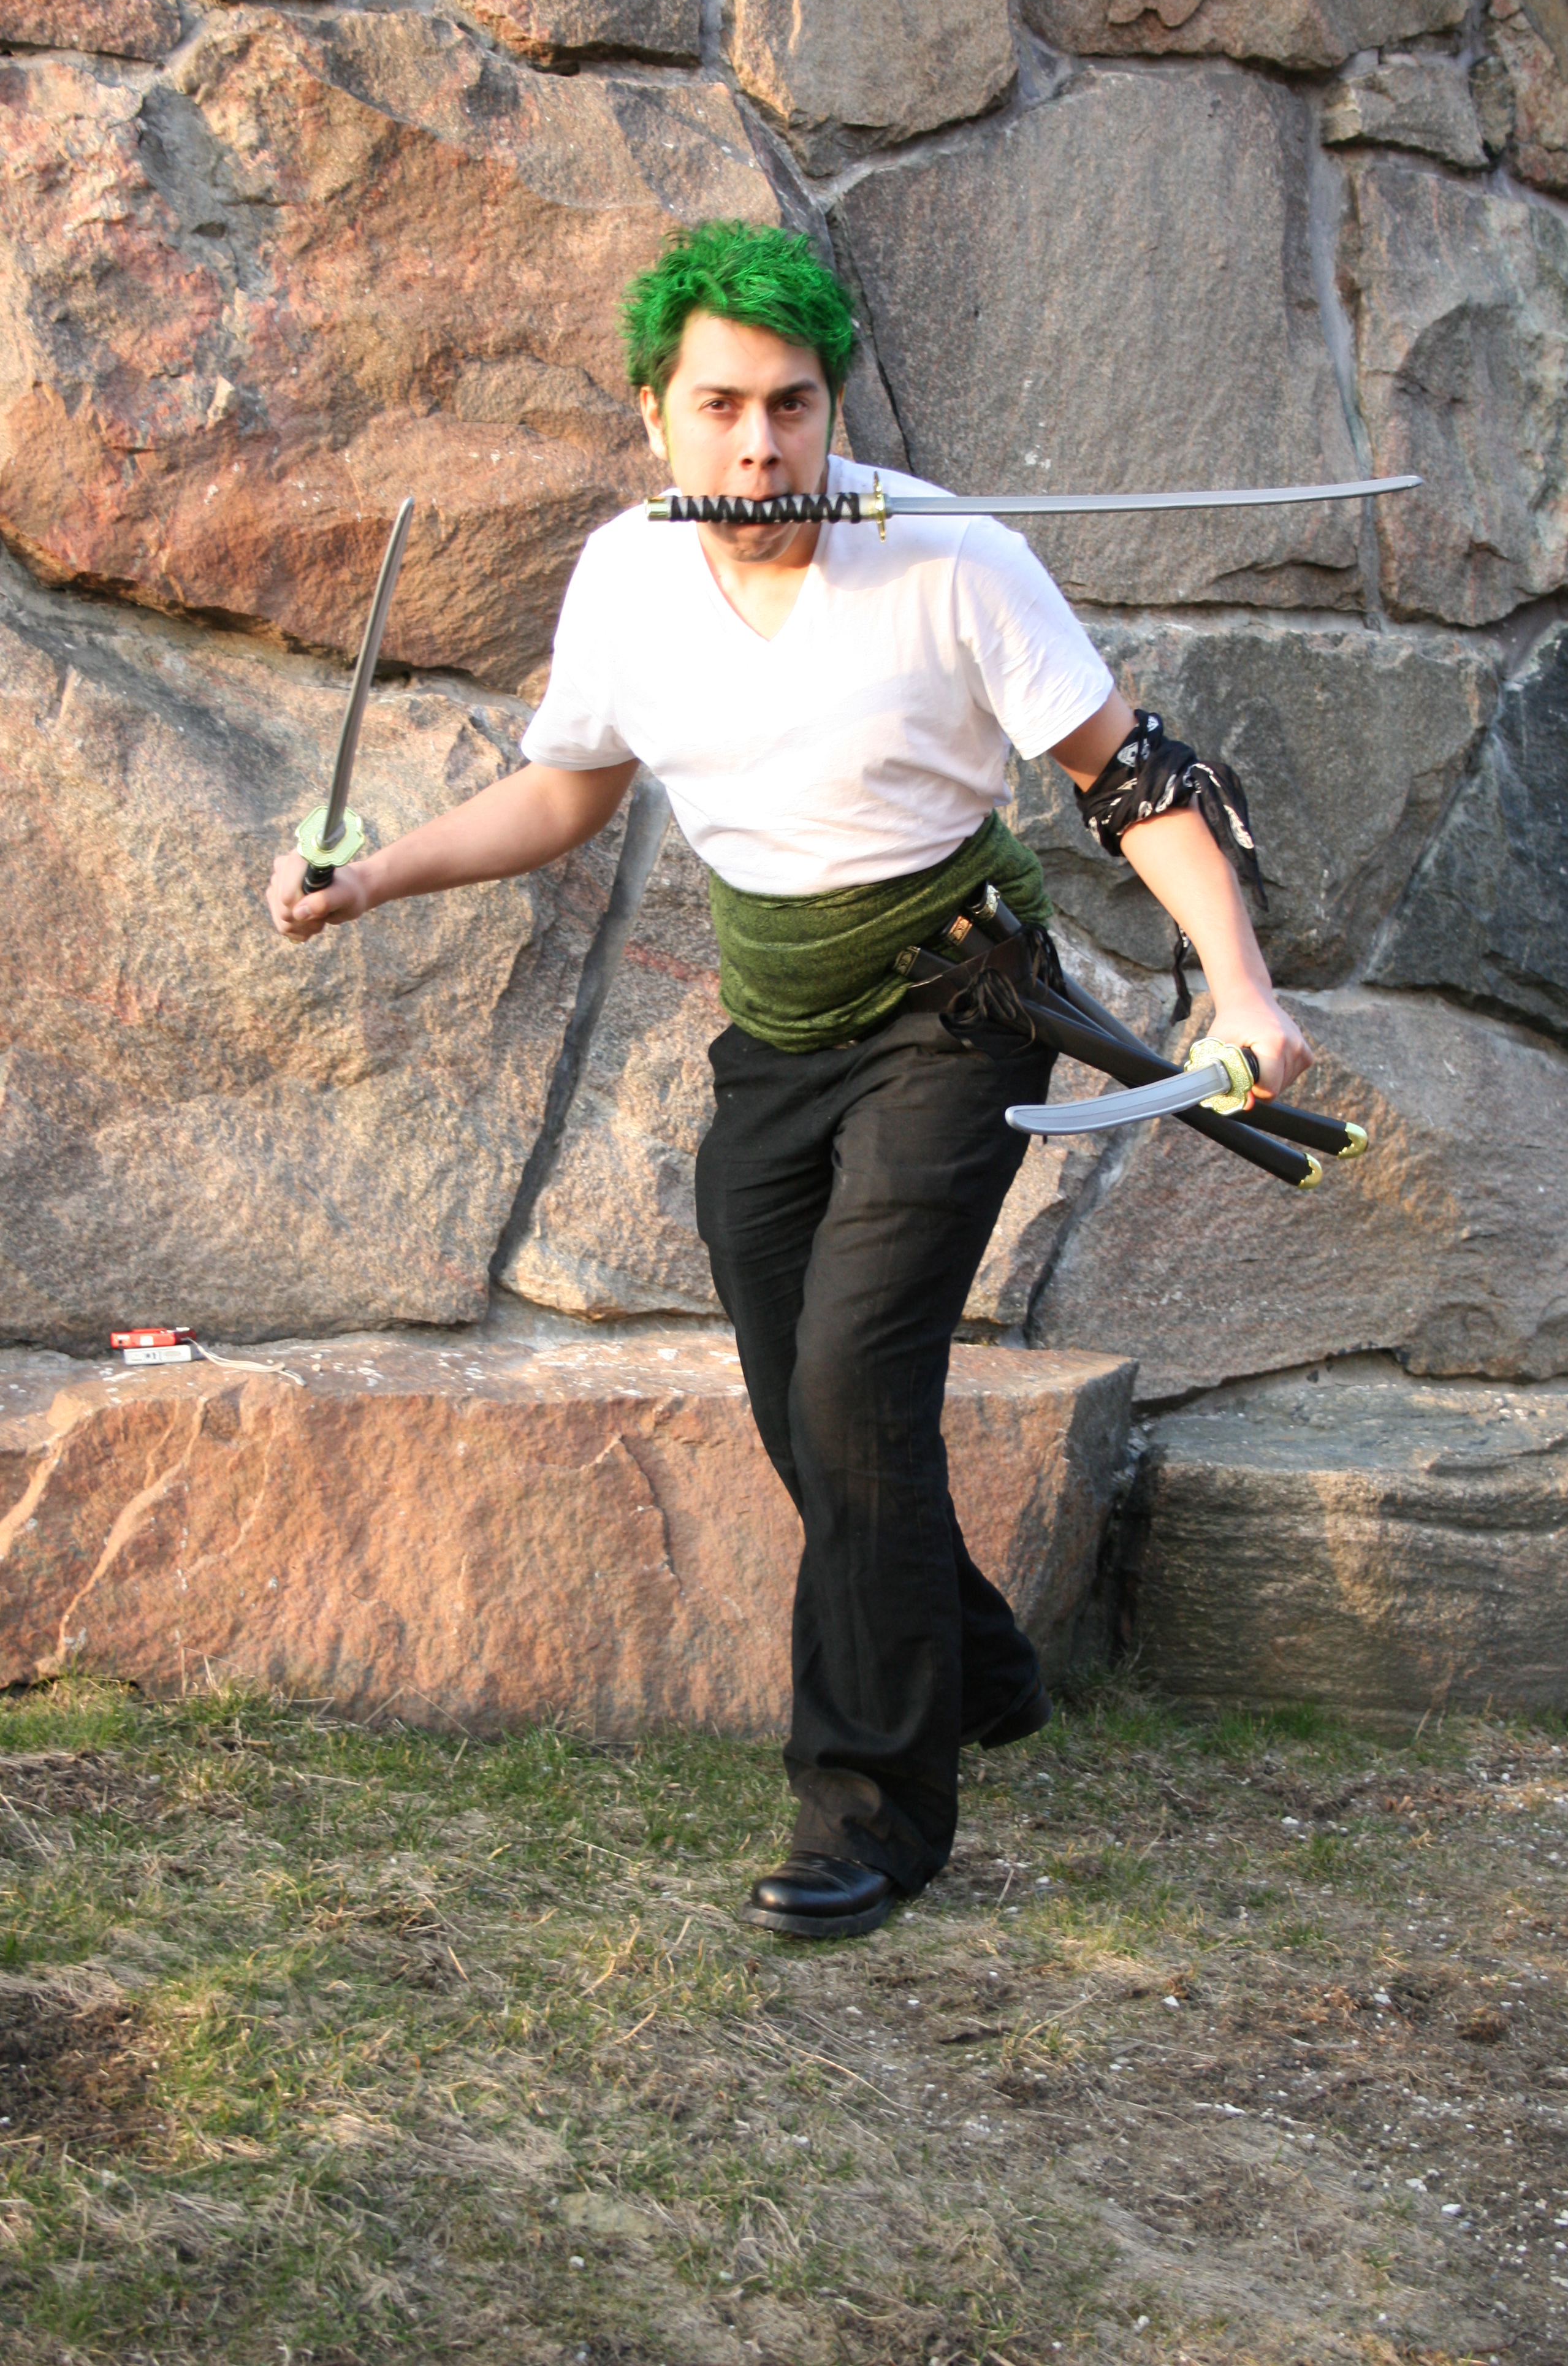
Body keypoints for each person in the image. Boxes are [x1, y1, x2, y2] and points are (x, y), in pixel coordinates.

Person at [268, 221, 1311, 1941]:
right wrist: (372, 876)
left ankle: (870, 1811)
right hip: (776, 1033)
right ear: (654, 415)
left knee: (854, 1380)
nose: (760, 446)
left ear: (833, 408)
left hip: (957, 1006)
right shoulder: (625, 578)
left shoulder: (954, 558)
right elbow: (566, 791)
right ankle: (976, 1666)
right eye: (722, 407)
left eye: (793, 406)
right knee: (794, 1395)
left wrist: (1243, 990)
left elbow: (1133, 774)